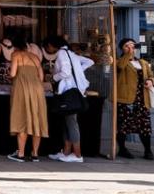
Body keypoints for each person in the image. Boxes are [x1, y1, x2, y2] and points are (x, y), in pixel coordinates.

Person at [43, 35, 94, 163]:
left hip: (68, 92)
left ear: (52, 44)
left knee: (71, 123)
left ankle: (77, 155)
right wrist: (78, 72)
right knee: (67, 122)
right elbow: (89, 62)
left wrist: (53, 78)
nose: (48, 48)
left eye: (48, 46)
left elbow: (65, 72)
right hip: (75, 91)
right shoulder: (70, 53)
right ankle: (66, 152)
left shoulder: (61, 53)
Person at [7, 32, 47, 162]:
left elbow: (13, 74)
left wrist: (8, 75)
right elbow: (41, 77)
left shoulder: (16, 55)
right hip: (37, 90)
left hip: (22, 88)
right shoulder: (35, 57)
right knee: (37, 119)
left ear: (14, 46)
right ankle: (35, 154)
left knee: (22, 118)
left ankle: (21, 154)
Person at [116, 38, 154, 160]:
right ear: (122, 49)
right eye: (126, 46)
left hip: (142, 98)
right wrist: (128, 54)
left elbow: (151, 76)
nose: (130, 48)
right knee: (124, 125)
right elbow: (120, 67)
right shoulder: (120, 61)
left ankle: (148, 150)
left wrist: (150, 81)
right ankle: (122, 149)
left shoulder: (142, 63)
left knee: (145, 125)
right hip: (126, 98)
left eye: (132, 45)